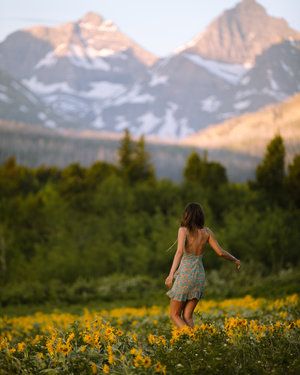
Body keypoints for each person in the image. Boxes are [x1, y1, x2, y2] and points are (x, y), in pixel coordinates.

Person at [165, 202, 241, 328]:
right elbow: (221, 253)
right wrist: (235, 259)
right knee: (188, 316)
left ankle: (191, 338)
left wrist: (171, 274)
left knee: (174, 315)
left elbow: (179, 252)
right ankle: (195, 343)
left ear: (187, 215)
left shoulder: (183, 230)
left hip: (185, 274)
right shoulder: (207, 232)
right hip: (199, 276)